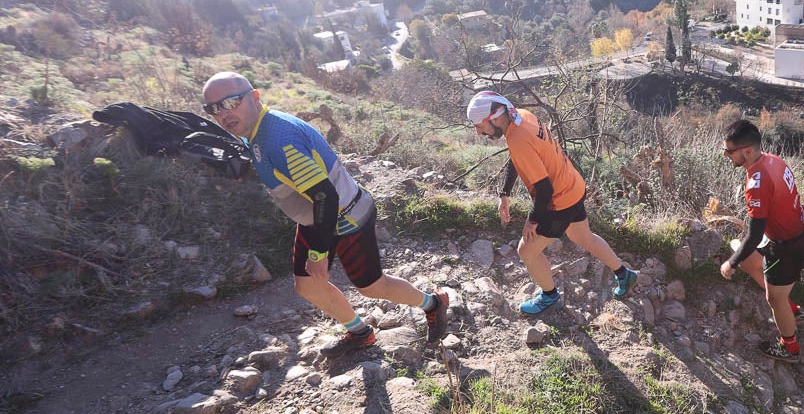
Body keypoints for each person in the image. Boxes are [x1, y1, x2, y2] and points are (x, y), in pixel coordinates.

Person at [202, 72, 449, 358]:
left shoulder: (277, 139)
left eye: (231, 102)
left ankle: (433, 304)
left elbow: (325, 196)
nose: (223, 113)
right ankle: (360, 332)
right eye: (213, 109)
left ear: (255, 97)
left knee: (372, 286)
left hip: (345, 217)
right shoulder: (257, 131)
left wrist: (318, 254)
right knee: (308, 285)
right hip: (316, 219)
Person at [466, 90, 637, 315]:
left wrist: (532, 221)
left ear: (496, 117)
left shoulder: (518, 138)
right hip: (573, 184)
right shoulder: (522, 117)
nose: (478, 132)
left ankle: (549, 296)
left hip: (559, 201)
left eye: (480, 125)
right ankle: (625, 274)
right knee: (581, 236)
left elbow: (544, 189)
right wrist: (505, 193)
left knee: (526, 251)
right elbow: (518, 158)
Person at [718, 119, 804, 363]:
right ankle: (792, 311)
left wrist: (730, 263)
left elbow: (754, 234)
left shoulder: (756, 182)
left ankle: (789, 348)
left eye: (730, 151)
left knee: (774, 299)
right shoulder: (773, 159)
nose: (726, 155)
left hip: (788, 248)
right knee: (750, 262)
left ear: (747, 151)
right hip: (795, 235)